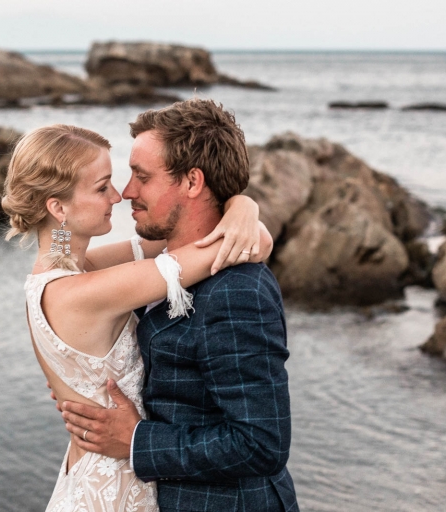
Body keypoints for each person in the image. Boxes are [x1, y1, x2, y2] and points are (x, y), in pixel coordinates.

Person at [2, 123, 273, 512]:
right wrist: (244, 207)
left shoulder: (70, 271)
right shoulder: (85, 292)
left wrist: (240, 205)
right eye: (101, 188)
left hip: (94, 472)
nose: (119, 195)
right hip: (112, 485)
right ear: (58, 208)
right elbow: (241, 245)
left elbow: (191, 236)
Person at [61, 99, 299, 512]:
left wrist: (137, 441)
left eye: (142, 176)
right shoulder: (159, 267)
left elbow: (262, 444)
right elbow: (66, 266)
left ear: (192, 182)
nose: (127, 192)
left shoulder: (236, 292)